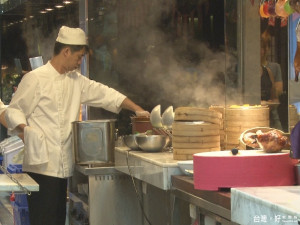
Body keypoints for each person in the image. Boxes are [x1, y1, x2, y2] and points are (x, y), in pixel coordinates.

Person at [4, 26, 149, 225]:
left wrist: (138, 110)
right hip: (41, 168)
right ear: (66, 52)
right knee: (43, 220)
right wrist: (25, 129)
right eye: (79, 57)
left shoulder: (76, 81)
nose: (79, 62)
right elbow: (13, 110)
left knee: (57, 220)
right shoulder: (35, 78)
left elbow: (106, 94)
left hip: (63, 168)